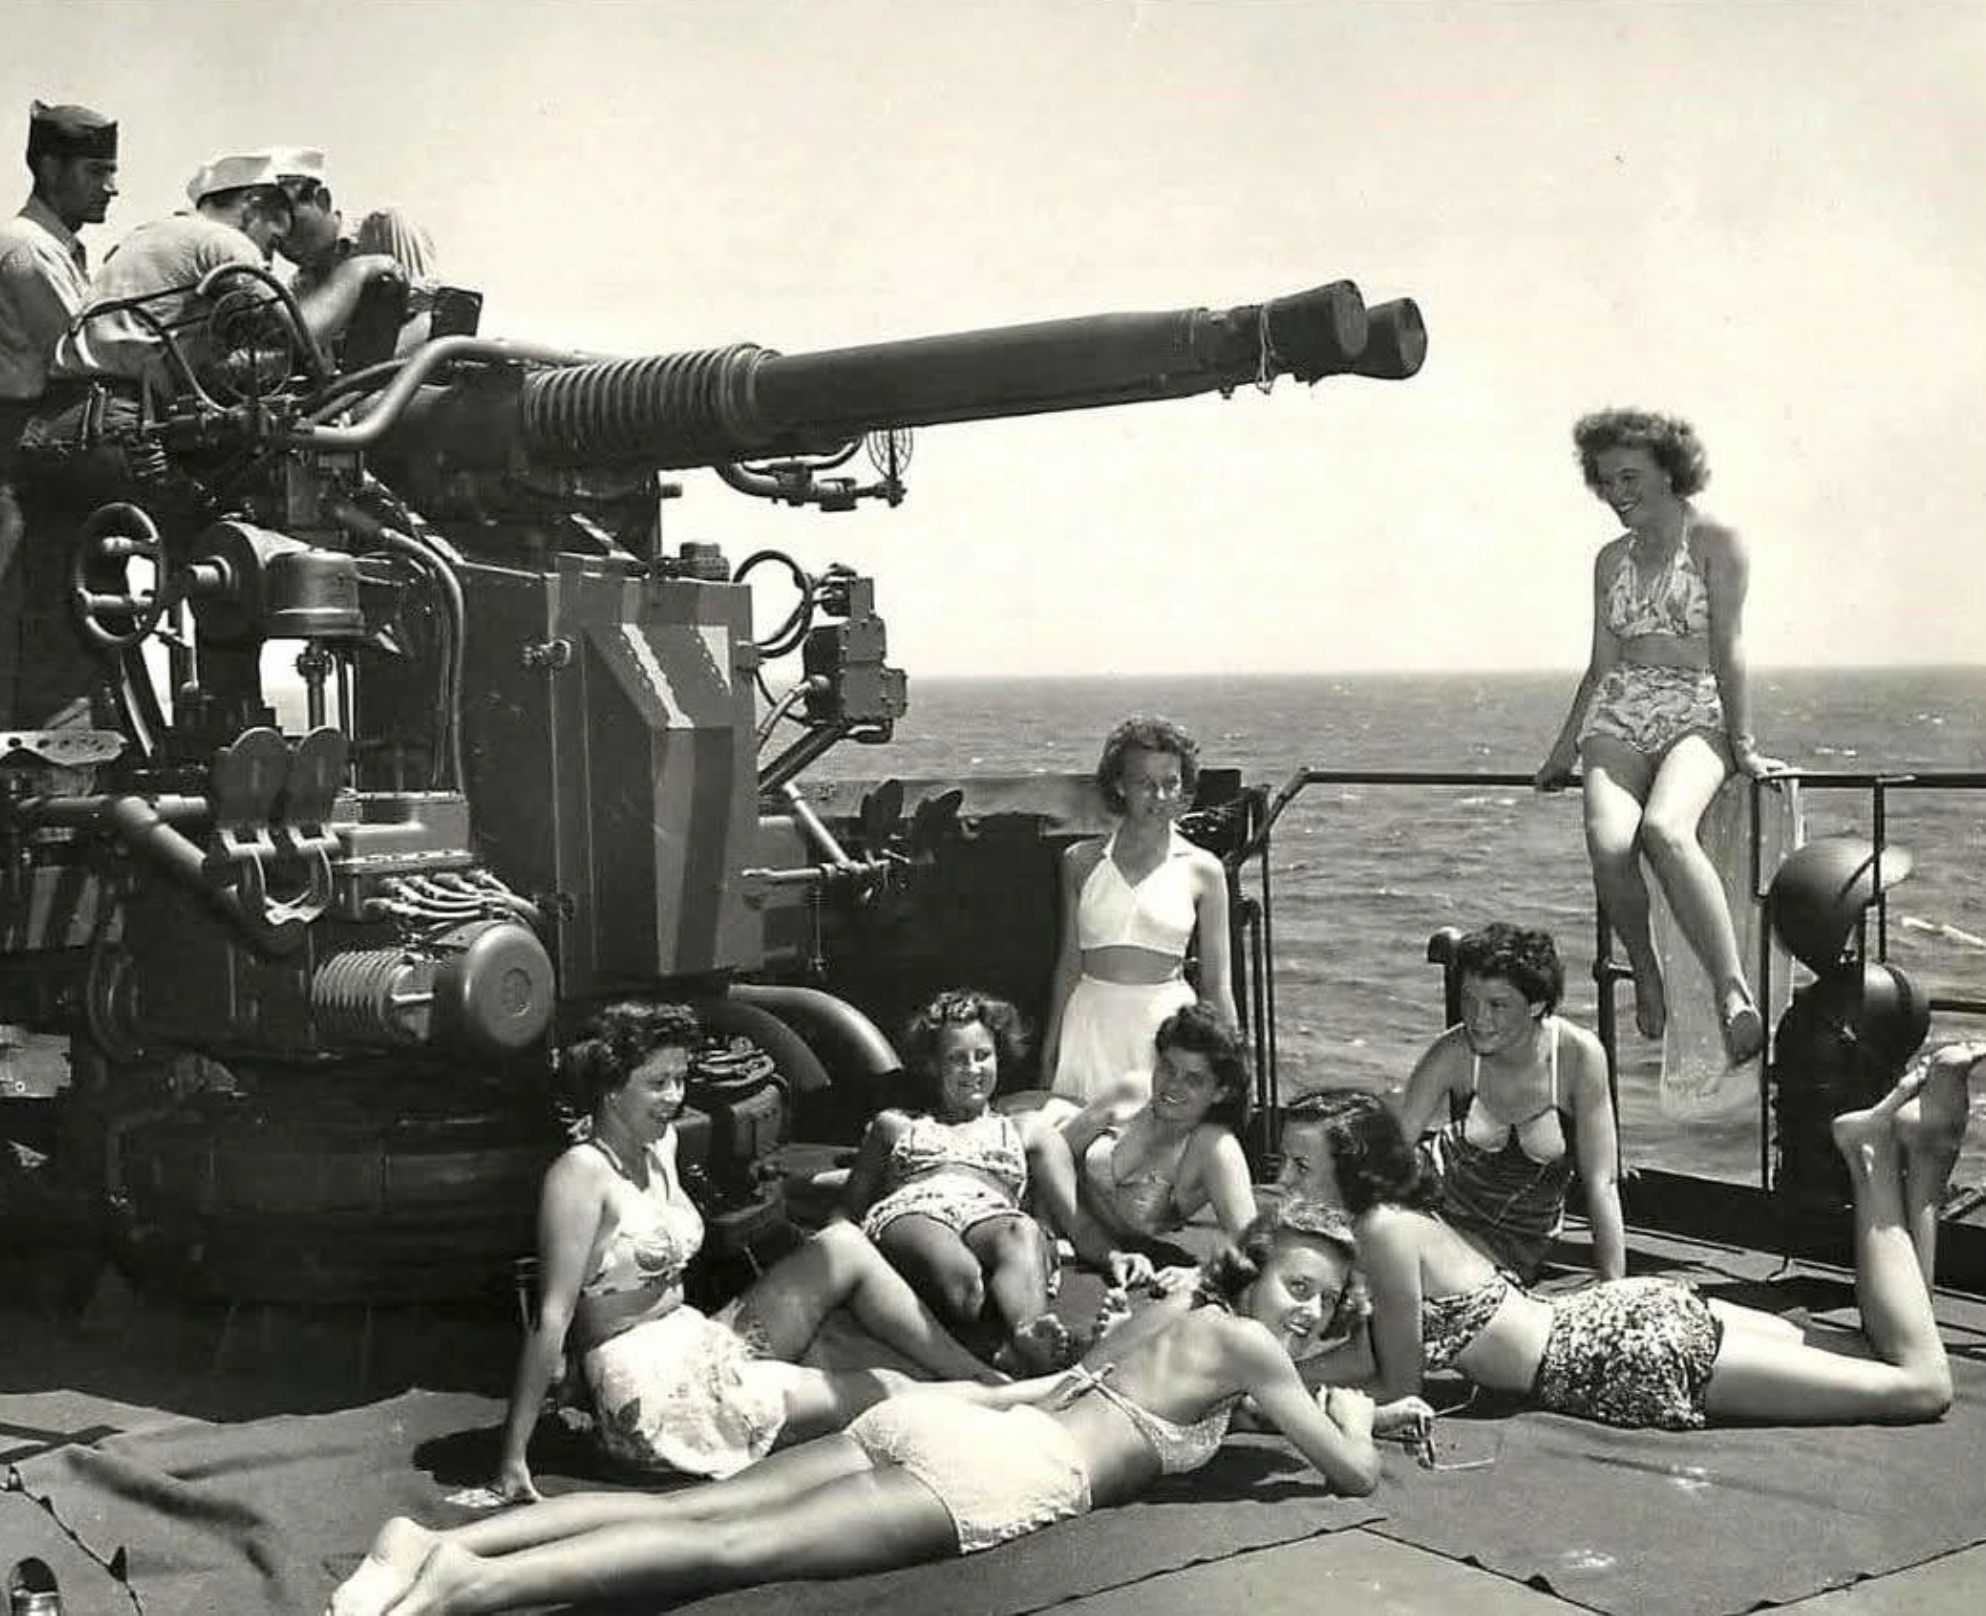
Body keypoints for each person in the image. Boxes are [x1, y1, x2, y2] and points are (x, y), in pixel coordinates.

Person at [330, 1206, 1433, 1616]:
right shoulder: (1247, 1344)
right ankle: (466, 1587)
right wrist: (1367, 1417)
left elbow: (1202, 1406)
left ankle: (436, 1540)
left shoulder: (1182, 1309)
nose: (1309, 1312)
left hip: (966, 1419)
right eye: (1299, 1287)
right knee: (725, 1550)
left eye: (1326, 1303)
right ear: (1256, 1276)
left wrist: (1344, 1409)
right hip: (1004, 1470)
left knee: (708, 1519)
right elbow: (1353, 1478)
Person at [1281, 1065, 1981, 1431]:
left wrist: (1275, 1393)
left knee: (1919, 1387)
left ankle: (1869, 1157)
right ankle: (1915, 1164)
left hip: (1616, 1355)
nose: (1282, 1181)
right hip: (1612, 1318)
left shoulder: (1379, 1233)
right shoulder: (1395, 1221)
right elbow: (1374, 1351)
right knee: (1872, 1354)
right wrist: (1285, 1371)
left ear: (1353, 1169)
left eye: (1300, 1166)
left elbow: (1396, 1384)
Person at [493, 1001, 1003, 1503]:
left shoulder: (661, 1143)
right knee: (885, 1387)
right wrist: (514, 1457)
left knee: (843, 1246)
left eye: (680, 1078)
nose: (675, 1096)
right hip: (649, 1387)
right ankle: (1010, 1401)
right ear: (609, 1090)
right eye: (657, 1083)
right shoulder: (579, 1175)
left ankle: (976, 1374)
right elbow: (552, 1315)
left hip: (695, 1340)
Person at [1535, 410, 1785, 1064]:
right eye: (1604, 480)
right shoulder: (1609, 560)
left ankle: (1731, 991)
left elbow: (1728, 650)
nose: (1616, 492)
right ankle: (1644, 970)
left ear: (1671, 472)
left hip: (1694, 709)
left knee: (1665, 830)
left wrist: (1744, 743)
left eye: (1630, 476)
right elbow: (1599, 666)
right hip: (1620, 710)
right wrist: (1562, 753)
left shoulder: (1716, 542)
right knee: (1608, 841)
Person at [840, 989, 1139, 1370]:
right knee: (961, 1278)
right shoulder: (895, 1126)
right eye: (957, 1059)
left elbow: (1075, 1217)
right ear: (933, 1065)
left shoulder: (1027, 1130)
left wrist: (1114, 1254)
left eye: (983, 1055)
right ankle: (1000, 1354)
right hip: (916, 1210)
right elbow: (845, 1213)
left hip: (991, 1214)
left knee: (1024, 1233)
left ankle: (1029, 1336)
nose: (973, 1069)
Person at [1394, 923, 1624, 1282]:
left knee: (1424, 1270)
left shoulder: (1577, 1057)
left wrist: (1615, 1289)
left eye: (1497, 1005)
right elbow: (1391, 1153)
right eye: (1468, 999)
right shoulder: (1452, 1052)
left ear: (1536, 1004)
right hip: (1431, 1200)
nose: (1477, 1018)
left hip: (1515, 1239)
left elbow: (1601, 1183)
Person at [1043, 716, 1236, 1107]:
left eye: (1171, 783)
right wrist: (1051, 1045)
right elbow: (1068, 965)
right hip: (1090, 1024)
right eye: (1145, 784)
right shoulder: (1079, 861)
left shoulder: (1205, 870)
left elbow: (1217, 985)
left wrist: (1232, 1066)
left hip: (1166, 1035)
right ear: (1119, 785)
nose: (1160, 797)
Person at [0, 100, 117, 724]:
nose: (113, 186)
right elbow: (84, 350)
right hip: (19, 448)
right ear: (51, 168)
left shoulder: (58, 248)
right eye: (98, 170)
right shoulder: (27, 251)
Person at [1057, 1002, 1259, 1269]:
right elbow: (1051, 1154)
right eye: (1167, 1068)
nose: (1173, 1085)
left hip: (1098, 1248)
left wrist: (1199, 1277)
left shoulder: (1215, 1147)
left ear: (1220, 1092)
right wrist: (1046, 1228)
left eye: (1193, 1079)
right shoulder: (1132, 1090)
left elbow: (1251, 1247)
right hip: (1051, 1204)